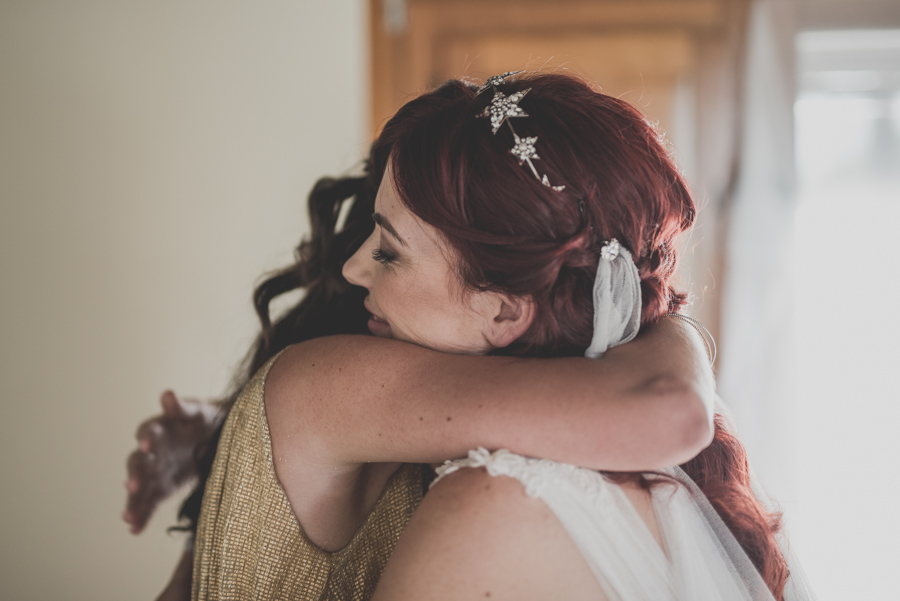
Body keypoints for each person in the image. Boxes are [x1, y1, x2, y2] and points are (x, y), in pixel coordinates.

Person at [126, 71, 802, 600]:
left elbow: (669, 408)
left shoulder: (501, 487)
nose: (353, 265)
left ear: (506, 312)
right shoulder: (347, 388)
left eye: (389, 252)